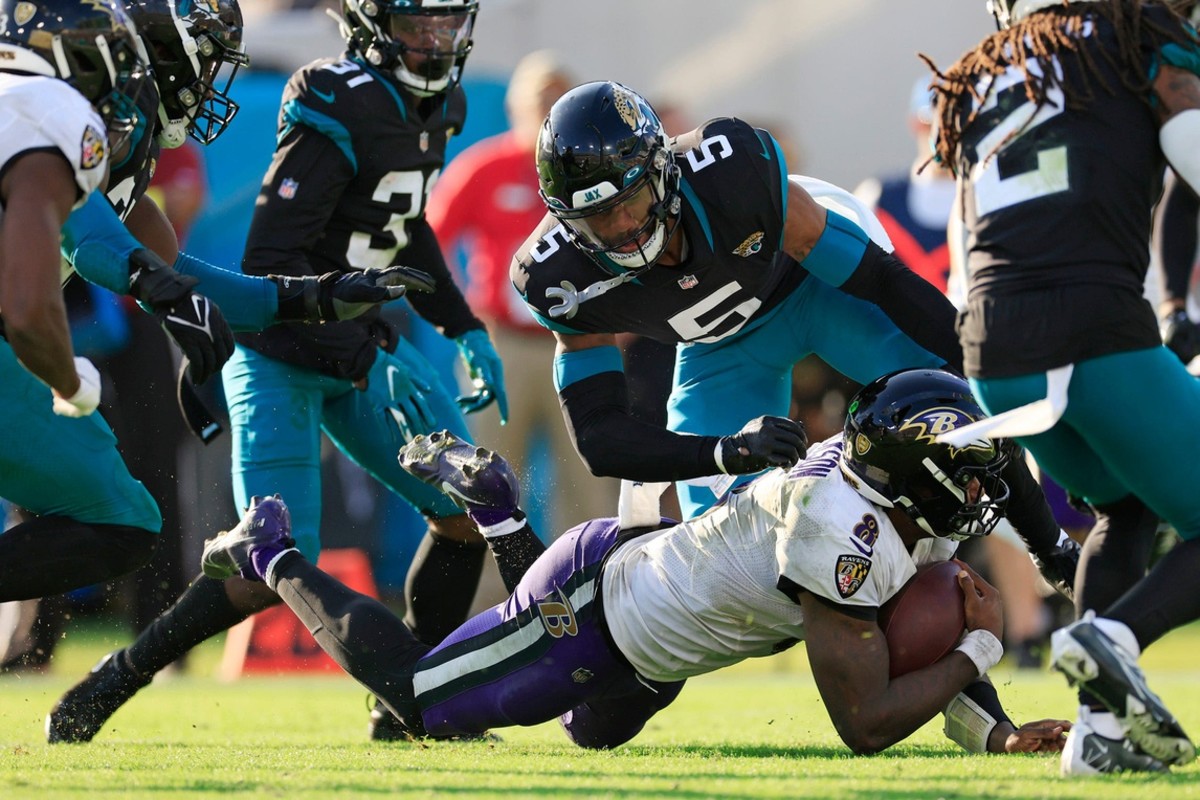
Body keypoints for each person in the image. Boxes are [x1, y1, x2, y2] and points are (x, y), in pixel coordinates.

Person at [46, 0, 507, 745]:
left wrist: (462, 324)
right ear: (369, 25)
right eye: (418, 23)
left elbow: (402, 217)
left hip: (356, 349)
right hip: (282, 354)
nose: (436, 39)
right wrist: (338, 310)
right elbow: (268, 264)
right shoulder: (336, 98)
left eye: (447, 22)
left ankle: (408, 707)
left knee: (463, 513)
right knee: (274, 559)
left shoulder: (442, 102)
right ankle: (118, 676)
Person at [196, 368, 1071, 755]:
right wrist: (982, 652)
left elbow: (916, 637)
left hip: (663, 624)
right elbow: (866, 723)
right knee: (424, 706)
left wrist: (993, 731)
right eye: (968, 465)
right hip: (598, 611)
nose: (985, 482)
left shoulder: (898, 498)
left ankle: (504, 521)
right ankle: (271, 548)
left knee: (591, 735)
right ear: (913, 465)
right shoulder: (839, 524)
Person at [510, 80, 1080, 601]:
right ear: (565, 219)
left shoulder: (732, 173)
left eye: (629, 201)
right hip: (719, 346)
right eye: (597, 219)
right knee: (715, 546)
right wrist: (727, 451)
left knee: (953, 406)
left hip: (814, 287)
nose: (622, 229)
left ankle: (1051, 547)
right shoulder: (557, 279)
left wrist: (974, 366)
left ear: (662, 171)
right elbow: (601, 440)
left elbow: (880, 278)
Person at [925, 0, 1200, 775]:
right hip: (1092, 324)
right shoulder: (1137, 36)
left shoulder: (984, 74)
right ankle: (1112, 638)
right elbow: (1193, 149)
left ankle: (1097, 735)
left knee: (1127, 506)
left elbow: (962, 241)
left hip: (990, 345)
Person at [426, 50, 619, 535]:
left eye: (559, 97)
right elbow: (428, 239)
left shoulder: (595, 167)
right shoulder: (484, 166)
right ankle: (490, 599)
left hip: (581, 341)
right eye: (540, 97)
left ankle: (583, 586)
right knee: (485, 475)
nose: (548, 107)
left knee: (587, 477)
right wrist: (458, 312)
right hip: (504, 344)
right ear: (516, 108)